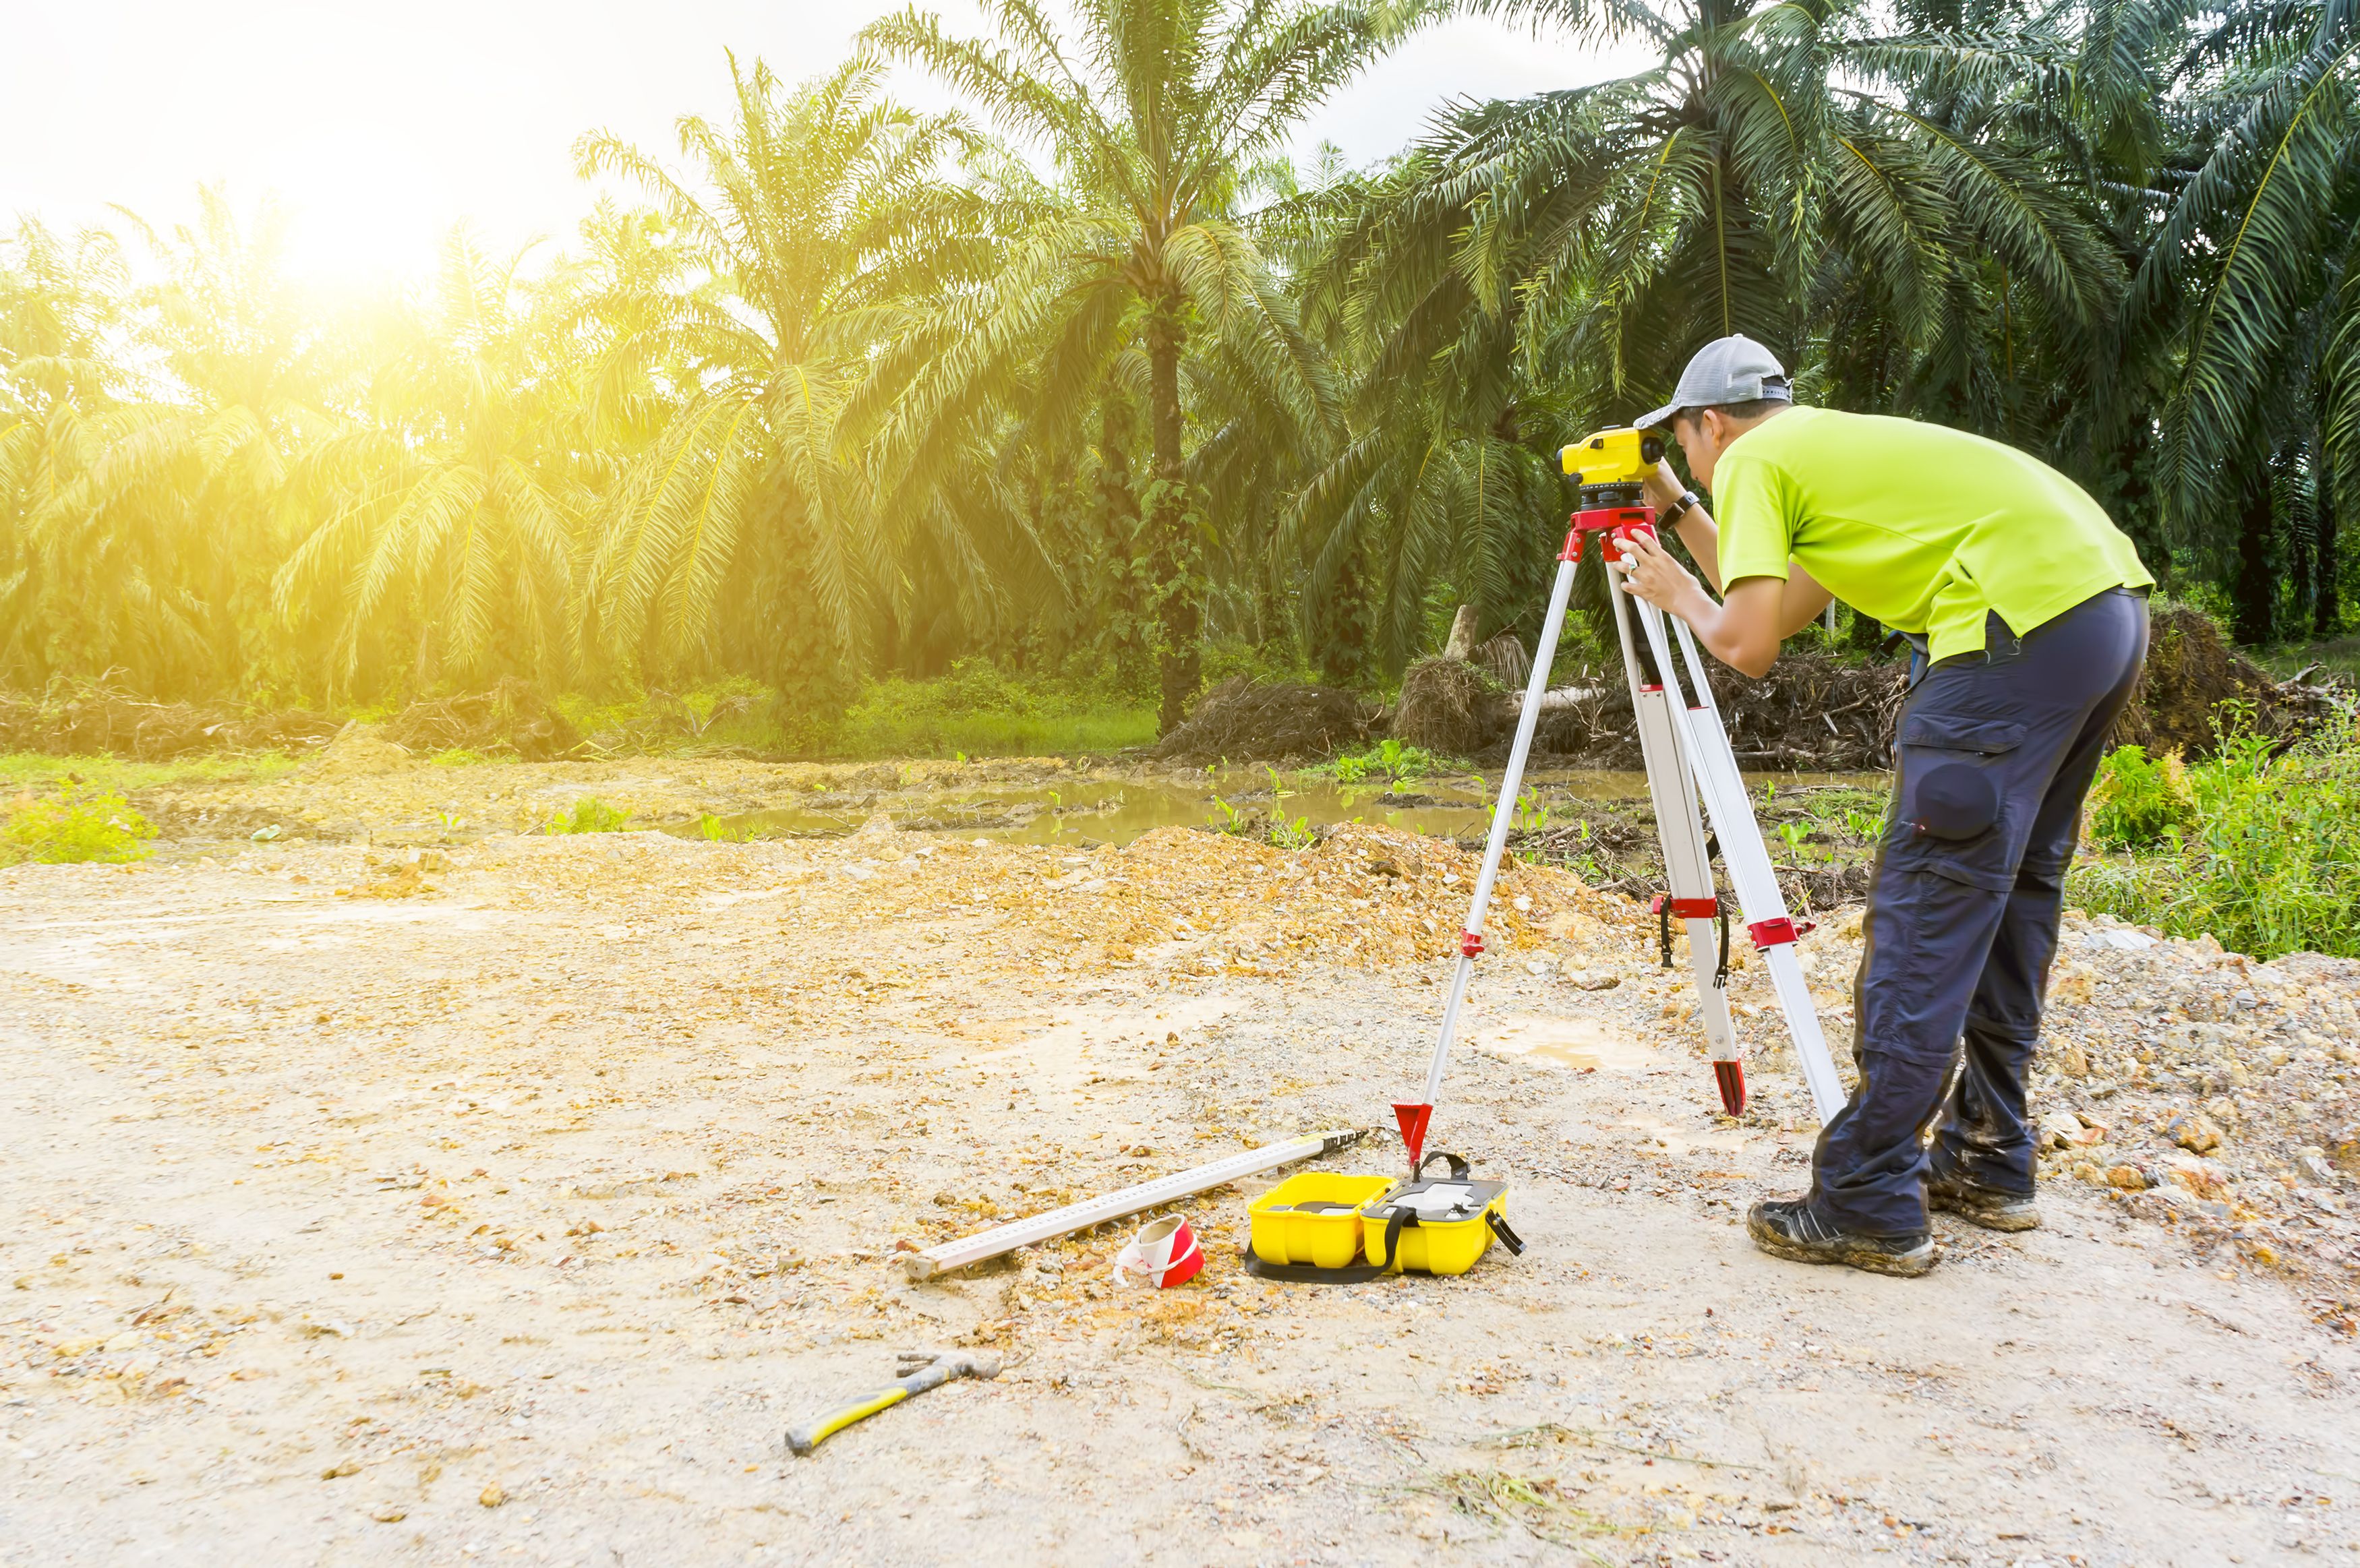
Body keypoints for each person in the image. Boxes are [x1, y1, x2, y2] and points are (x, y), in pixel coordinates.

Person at [1608, 334, 2154, 1277]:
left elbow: (1744, 642)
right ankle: (1989, 1155)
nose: (1692, 462)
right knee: (2009, 898)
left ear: (1712, 424)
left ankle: (1868, 1196)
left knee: (1928, 912)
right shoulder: (1814, 452)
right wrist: (1682, 512)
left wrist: (1666, 586)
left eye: (1687, 446)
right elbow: (1777, 602)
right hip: (2098, 613)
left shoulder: (1756, 460)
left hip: (2008, 632)